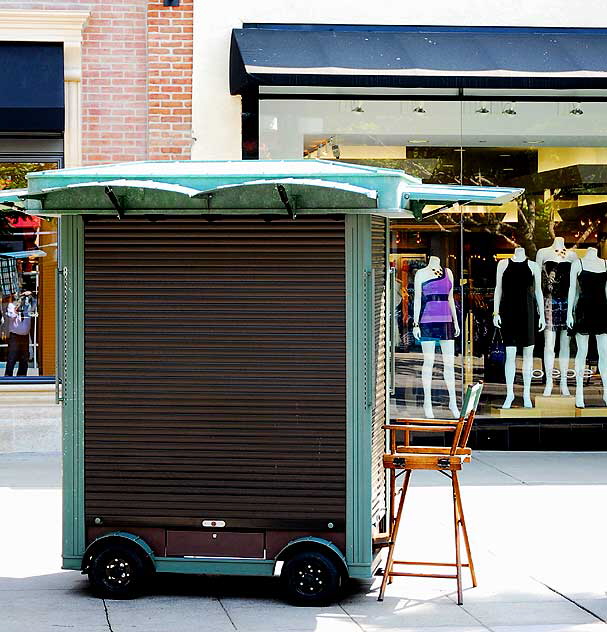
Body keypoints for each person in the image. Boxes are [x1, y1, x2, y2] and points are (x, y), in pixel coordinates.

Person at [4, 291, 33, 377]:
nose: (22, 299)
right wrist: (17, 308)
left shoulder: (28, 306)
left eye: (24, 297)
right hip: (15, 336)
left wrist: (31, 294)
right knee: (11, 358)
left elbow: (35, 303)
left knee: (24, 359)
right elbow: (12, 316)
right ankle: (8, 377)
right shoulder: (11, 306)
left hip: (25, 336)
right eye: (21, 297)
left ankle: (22, 377)